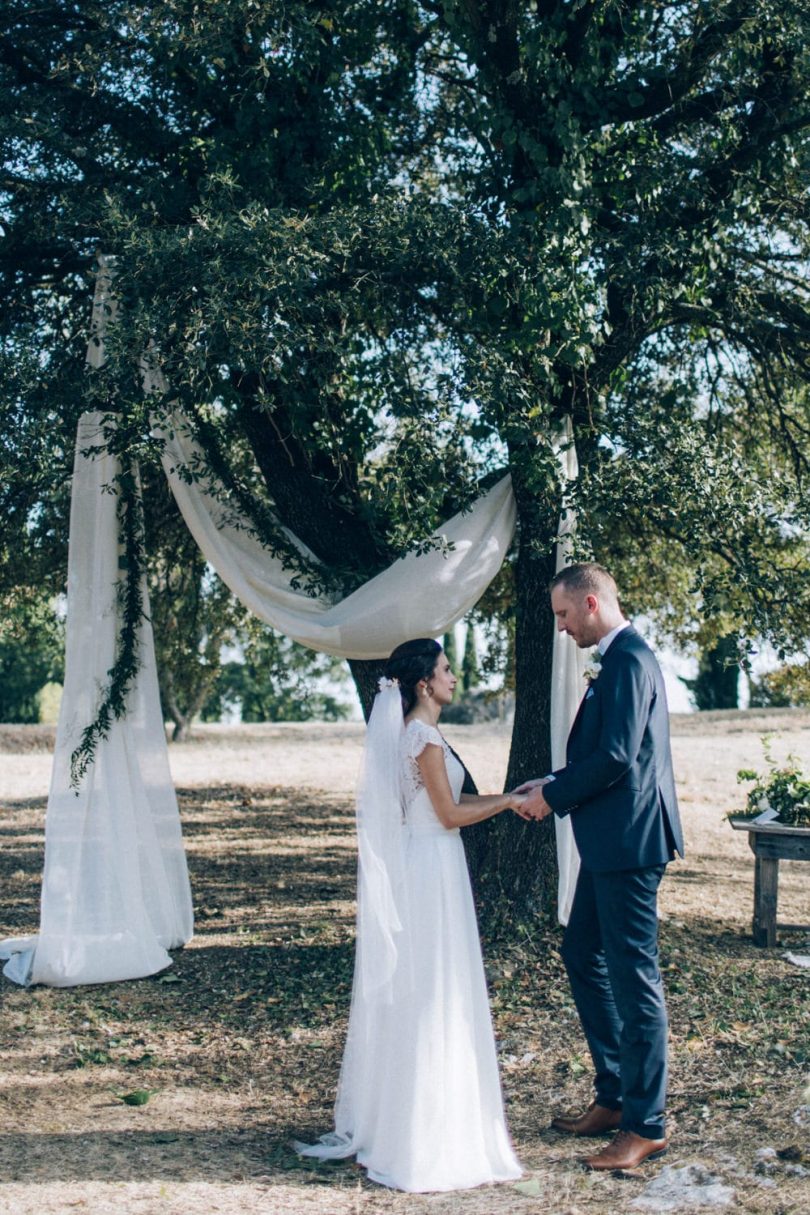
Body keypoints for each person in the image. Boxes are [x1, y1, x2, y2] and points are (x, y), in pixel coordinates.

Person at [296, 637, 525, 1191]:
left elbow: (447, 807)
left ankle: (409, 1122)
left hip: (431, 865)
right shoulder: (422, 736)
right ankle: (425, 1135)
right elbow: (448, 814)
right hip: (432, 868)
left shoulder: (419, 734)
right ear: (424, 683)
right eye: (446, 670)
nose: (453, 677)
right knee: (433, 993)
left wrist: (507, 796)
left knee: (428, 989)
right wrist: (510, 801)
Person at [516, 563, 684, 1171]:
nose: (561, 628)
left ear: (590, 603)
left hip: (631, 846)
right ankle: (613, 1096)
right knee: (581, 952)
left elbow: (616, 756)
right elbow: (609, 754)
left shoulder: (630, 659)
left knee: (636, 982)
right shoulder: (617, 660)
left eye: (563, 615)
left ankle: (647, 1125)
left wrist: (553, 799)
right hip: (610, 842)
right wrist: (554, 781)